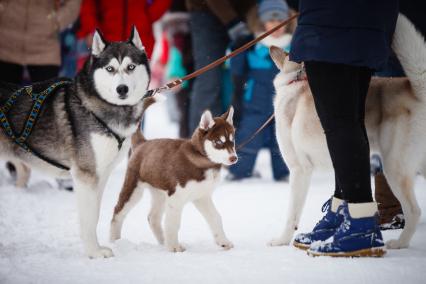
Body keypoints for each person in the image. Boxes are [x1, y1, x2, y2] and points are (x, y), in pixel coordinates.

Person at [290, 0, 399, 257]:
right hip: (365, 27)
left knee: (339, 125)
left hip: (328, 30)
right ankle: (346, 208)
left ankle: (360, 224)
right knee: (349, 121)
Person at [227, 0, 291, 181]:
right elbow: (235, 68)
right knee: (249, 135)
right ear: (263, 22)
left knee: (282, 138)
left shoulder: (292, 46)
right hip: (255, 100)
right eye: (271, 21)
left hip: (283, 102)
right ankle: (239, 171)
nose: (276, 26)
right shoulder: (254, 44)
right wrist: (237, 48)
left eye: (281, 21)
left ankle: (283, 172)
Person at [185, 0, 257, 133]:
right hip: (205, 11)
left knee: (243, 79)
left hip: (244, 15)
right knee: (209, 79)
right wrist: (233, 22)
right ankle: (203, 138)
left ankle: (236, 137)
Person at [0, 0, 81, 84]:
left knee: (47, 95)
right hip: (5, 44)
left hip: (45, 47)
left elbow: (73, 2)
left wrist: (56, 22)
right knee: (5, 96)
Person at [77, 0, 172, 59]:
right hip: (106, 38)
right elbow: (88, 4)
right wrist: (92, 28)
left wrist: (148, 16)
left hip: (139, 37)